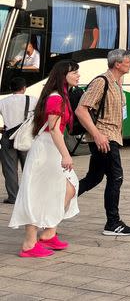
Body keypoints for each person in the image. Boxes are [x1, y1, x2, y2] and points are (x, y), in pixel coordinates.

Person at [9, 61, 80, 258]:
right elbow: (55, 129)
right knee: (38, 194)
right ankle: (29, 244)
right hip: (46, 150)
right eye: (74, 72)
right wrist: (66, 154)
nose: (78, 75)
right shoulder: (56, 98)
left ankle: (49, 232)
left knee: (67, 189)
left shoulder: (61, 96)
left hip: (51, 149)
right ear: (62, 76)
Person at [74, 49, 130, 237]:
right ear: (117, 64)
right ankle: (113, 223)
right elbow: (81, 110)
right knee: (116, 178)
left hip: (110, 137)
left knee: (93, 178)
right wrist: (97, 135)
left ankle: (59, 199)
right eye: (128, 61)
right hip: (104, 138)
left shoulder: (116, 83)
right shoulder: (101, 82)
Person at [0, 78, 37, 204]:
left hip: (8, 137)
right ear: (24, 88)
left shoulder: (3, 102)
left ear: (11, 89)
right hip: (26, 137)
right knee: (29, 167)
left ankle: (13, 197)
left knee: (10, 169)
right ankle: (29, 196)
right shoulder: (33, 100)